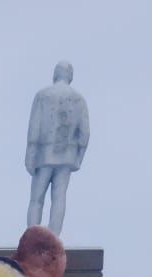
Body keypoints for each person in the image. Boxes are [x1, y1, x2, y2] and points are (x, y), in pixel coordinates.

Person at [26, 61, 90, 235]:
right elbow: (85, 133)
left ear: (55, 74)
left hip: (44, 154)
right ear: (70, 76)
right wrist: (78, 158)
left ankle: (32, 234)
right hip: (67, 156)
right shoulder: (79, 99)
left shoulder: (43, 95)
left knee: (36, 198)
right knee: (59, 197)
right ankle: (54, 236)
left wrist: (30, 156)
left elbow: (34, 128)